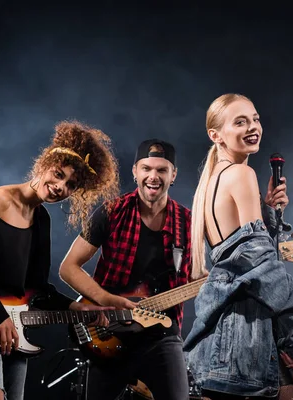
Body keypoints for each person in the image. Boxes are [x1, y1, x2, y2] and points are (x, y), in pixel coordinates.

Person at [0, 120, 120, 400]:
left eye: (71, 185)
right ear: (45, 163)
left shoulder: (41, 220)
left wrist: (74, 307)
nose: (60, 187)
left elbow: (36, 287)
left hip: (11, 329)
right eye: (58, 175)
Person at [183, 93, 293, 399]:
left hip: (217, 342)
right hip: (246, 341)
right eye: (240, 122)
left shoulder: (212, 180)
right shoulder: (242, 174)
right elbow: (263, 267)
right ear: (216, 135)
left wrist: (267, 211)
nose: (253, 127)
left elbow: (238, 255)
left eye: (255, 118)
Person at [59, 139, 193, 400]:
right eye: (146, 169)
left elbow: (198, 275)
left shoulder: (189, 222)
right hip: (110, 335)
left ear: (173, 174)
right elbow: (68, 268)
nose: (153, 177)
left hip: (163, 337)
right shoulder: (111, 212)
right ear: (135, 171)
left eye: (162, 170)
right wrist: (107, 300)